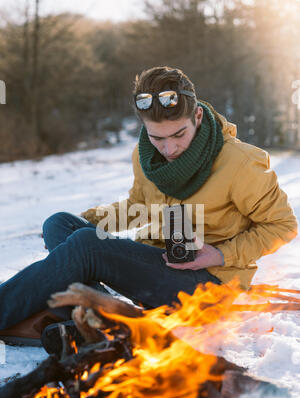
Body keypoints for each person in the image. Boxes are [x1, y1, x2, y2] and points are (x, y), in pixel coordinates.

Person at [0, 66, 298, 350]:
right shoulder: (146, 157)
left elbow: (283, 226)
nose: (169, 149)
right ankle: (103, 312)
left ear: (196, 116)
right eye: (157, 138)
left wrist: (220, 253)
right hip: (159, 264)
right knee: (60, 224)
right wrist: (87, 220)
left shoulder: (240, 163)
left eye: (179, 135)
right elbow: (137, 205)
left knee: (85, 246)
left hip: (207, 284)